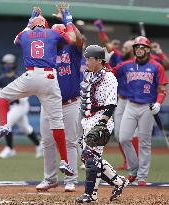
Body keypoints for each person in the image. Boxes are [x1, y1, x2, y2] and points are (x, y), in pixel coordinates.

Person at [0, 6, 76, 176]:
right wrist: (68, 20)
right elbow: (72, 39)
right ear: (45, 25)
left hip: (30, 75)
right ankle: (65, 161)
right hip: (50, 78)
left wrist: (29, 23)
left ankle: (4, 125)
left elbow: (16, 39)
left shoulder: (25, 34)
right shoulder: (52, 32)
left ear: (33, 25)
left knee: (2, 96)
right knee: (57, 123)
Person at [76, 45, 129, 203]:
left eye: (89, 59)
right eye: (86, 58)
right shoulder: (89, 75)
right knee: (90, 158)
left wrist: (101, 124)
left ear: (99, 60)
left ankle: (90, 194)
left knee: (90, 157)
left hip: (100, 118)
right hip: (87, 118)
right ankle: (119, 182)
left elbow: (111, 104)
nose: (86, 62)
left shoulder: (109, 78)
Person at [113, 36, 168, 186]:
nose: (139, 49)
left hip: (147, 107)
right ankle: (134, 169)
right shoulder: (126, 65)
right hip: (130, 105)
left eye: (142, 47)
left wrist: (158, 103)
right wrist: (104, 63)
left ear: (148, 50)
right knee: (123, 138)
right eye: (136, 47)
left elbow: (162, 89)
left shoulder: (157, 66)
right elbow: (110, 73)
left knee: (144, 143)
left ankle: (142, 176)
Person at [36, 18, 83, 192]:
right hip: (48, 103)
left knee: (70, 141)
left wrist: (67, 20)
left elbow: (79, 40)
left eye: (62, 32)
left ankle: (70, 179)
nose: (58, 35)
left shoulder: (72, 49)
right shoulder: (44, 52)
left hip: (69, 103)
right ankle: (50, 179)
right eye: (56, 32)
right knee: (47, 142)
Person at [94, 19, 139, 170]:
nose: (125, 49)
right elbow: (107, 44)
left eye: (128, 47)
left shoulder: (139, 64)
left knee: (134, 135)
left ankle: (136, 162)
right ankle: (127, 161)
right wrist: (101, 28)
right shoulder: (120, 59)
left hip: (135, 101)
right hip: (121, 100)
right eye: (125, 47)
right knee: (119, 134)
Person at [0, 54, 43, 159]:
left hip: (21, 105)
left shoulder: (19, 76)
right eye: (5, 64)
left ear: (13, 64)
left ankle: (10, 148)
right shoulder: (2, 78)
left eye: (8, 63)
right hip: (12, 106)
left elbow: (27, 91)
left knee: (6, 123)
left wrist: (21, 96)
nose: (6, 66)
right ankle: (39, 145)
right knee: (26, 128)